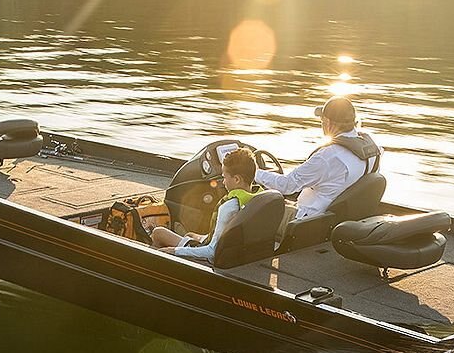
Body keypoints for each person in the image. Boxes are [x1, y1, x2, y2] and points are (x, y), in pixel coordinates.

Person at [254, 96, 382, 224]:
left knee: (249, 207)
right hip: (333, 219)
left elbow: (287, 185)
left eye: (322, 120)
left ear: (328, 123)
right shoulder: (372, 150)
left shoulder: (327, 156)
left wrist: (254, 172)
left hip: (305, 222)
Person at [151, 147, 260, 263]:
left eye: (224, 177)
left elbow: (212, 252)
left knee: (158, 233)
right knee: (190, 234)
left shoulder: (229, 207)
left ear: (237, 179)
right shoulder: (258, 197)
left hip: (209, 258)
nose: (223, 182)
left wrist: (175, 251)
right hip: (236, 253)